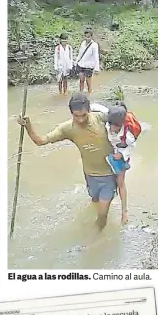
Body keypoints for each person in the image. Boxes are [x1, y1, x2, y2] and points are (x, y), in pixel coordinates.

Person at [17, 93, 117, 229]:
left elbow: (122, 122)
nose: (80, 120)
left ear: (89, 110)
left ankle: (96, 240)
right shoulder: (67, 129)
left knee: (102, 213)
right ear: (71, 113)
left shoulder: (101, 118)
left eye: (84, 115)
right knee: (94, 201)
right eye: (76, 116)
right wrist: (28, 126)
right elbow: (40, 141)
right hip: (90, 174)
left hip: (109, 174)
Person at [90, 102, 140, 225]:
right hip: (109, 150)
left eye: (114, 126)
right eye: (109, 124)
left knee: (120, 183)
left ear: (122, 124)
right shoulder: (109, 116)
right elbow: (95, 107)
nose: (111, 127)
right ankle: (99, 202)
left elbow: (131, 147)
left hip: (120, 154)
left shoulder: (128, 136)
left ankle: (124, 213)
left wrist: (121, 155)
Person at [75, 28, 100, 95]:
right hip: (81, 64)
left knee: (88, 82)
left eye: (88, 37)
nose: (87, 38)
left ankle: (89, 93)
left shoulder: (94, 45)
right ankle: (81, 94)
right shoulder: (83, 43)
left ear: (91, 37)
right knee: (81, 80)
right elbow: (80, 54)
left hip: (89, 66)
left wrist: (97, 68)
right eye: (85, 36)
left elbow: (96, 56)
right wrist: (76, 62)